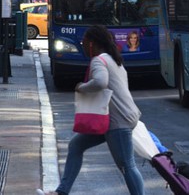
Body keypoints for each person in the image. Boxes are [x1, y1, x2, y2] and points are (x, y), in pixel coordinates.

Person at [37, 25, 144, 195]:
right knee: (76, 145)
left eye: (84, 42)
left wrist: (82, 87)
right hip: (111, 119)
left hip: (117, 121)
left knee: (127, 165)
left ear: (92, 43)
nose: (82, 45)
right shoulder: (113, 60)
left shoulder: (98, 60)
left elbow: (101, 82)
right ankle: (62, 192)